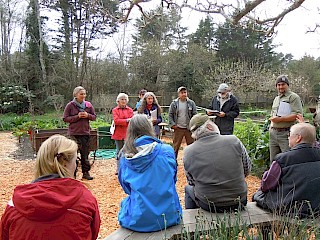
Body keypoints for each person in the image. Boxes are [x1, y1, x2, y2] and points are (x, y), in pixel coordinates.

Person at [0, 135, 100, 240]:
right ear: (65, 163)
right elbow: (93, 233)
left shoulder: (15, 204)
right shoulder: (85, 200)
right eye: (76, 160)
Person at [117, 114, 182, 232]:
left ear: (130, 130)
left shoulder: (124, 156)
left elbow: (126, 188)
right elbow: (173, 179)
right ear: (149, 128)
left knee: (125, 204)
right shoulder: (166, 150)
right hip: (169, 216)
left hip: (137, 220)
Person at [183, 113, 252, 212]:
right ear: (210, 127)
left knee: (188, 189)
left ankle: (194, 221)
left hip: (208, 204)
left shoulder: (188, 151)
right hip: (239, 200)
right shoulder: (234, 140)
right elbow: (247, 169)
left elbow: (191, 181)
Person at [253, 123, 320, 217]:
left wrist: (266, 174)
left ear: (298, 138)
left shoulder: (283, 159)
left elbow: (266, 185)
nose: (288, 137)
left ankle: (268, 232)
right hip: (316, 207)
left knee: (258, 195)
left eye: (289, 134)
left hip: (290, 208)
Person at [63, 86, 96, 180]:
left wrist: (87, 115)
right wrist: (77, 117)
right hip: (74, 133)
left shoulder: (88, 105)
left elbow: (94, 117)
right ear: (76, 95)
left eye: (84, 94)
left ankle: (86, 173)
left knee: (85, 155)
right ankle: (72, 174)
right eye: (81, 94)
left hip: (85, 133)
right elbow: (65, 118)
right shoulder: (70, 105)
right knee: (72, 155)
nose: (83, 95)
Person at [269, 75, 303, 162]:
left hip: (286, 134)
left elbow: (297, 115)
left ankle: (288, 175)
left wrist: (280, 120)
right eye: (278, 85)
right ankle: (274, 175)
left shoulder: (293, 97)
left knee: (288, 160)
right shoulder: (276, 99)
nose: (281, 87)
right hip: (273, 133)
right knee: (274, 160)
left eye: (283, 84)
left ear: (287, 85)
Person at [168, 86, 197, 159]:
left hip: (189, 128)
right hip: (178, 128)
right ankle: (174, 162)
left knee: (192, 146)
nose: (184, 94)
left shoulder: (191, 103)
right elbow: (170, 115)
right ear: (178, 94)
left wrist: (193, 125)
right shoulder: (174, 104)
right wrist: (172, 124)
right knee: (175, 147)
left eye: (185, 92)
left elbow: (195, 115)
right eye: (182, 93)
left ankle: (193, 161)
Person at [112, 93, 134, 174]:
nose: (123, 101)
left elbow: (132, 120)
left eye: (125, 99)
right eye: (122, 99)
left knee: (128, 151)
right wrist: (126, 120)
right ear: (118, 101)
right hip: (118, 134)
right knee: (119, 151)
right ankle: (118, 169)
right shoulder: (115, 110)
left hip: (128, 134)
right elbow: (116, 121)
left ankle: (128, 168)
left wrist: (124, 121)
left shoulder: (130, 110)